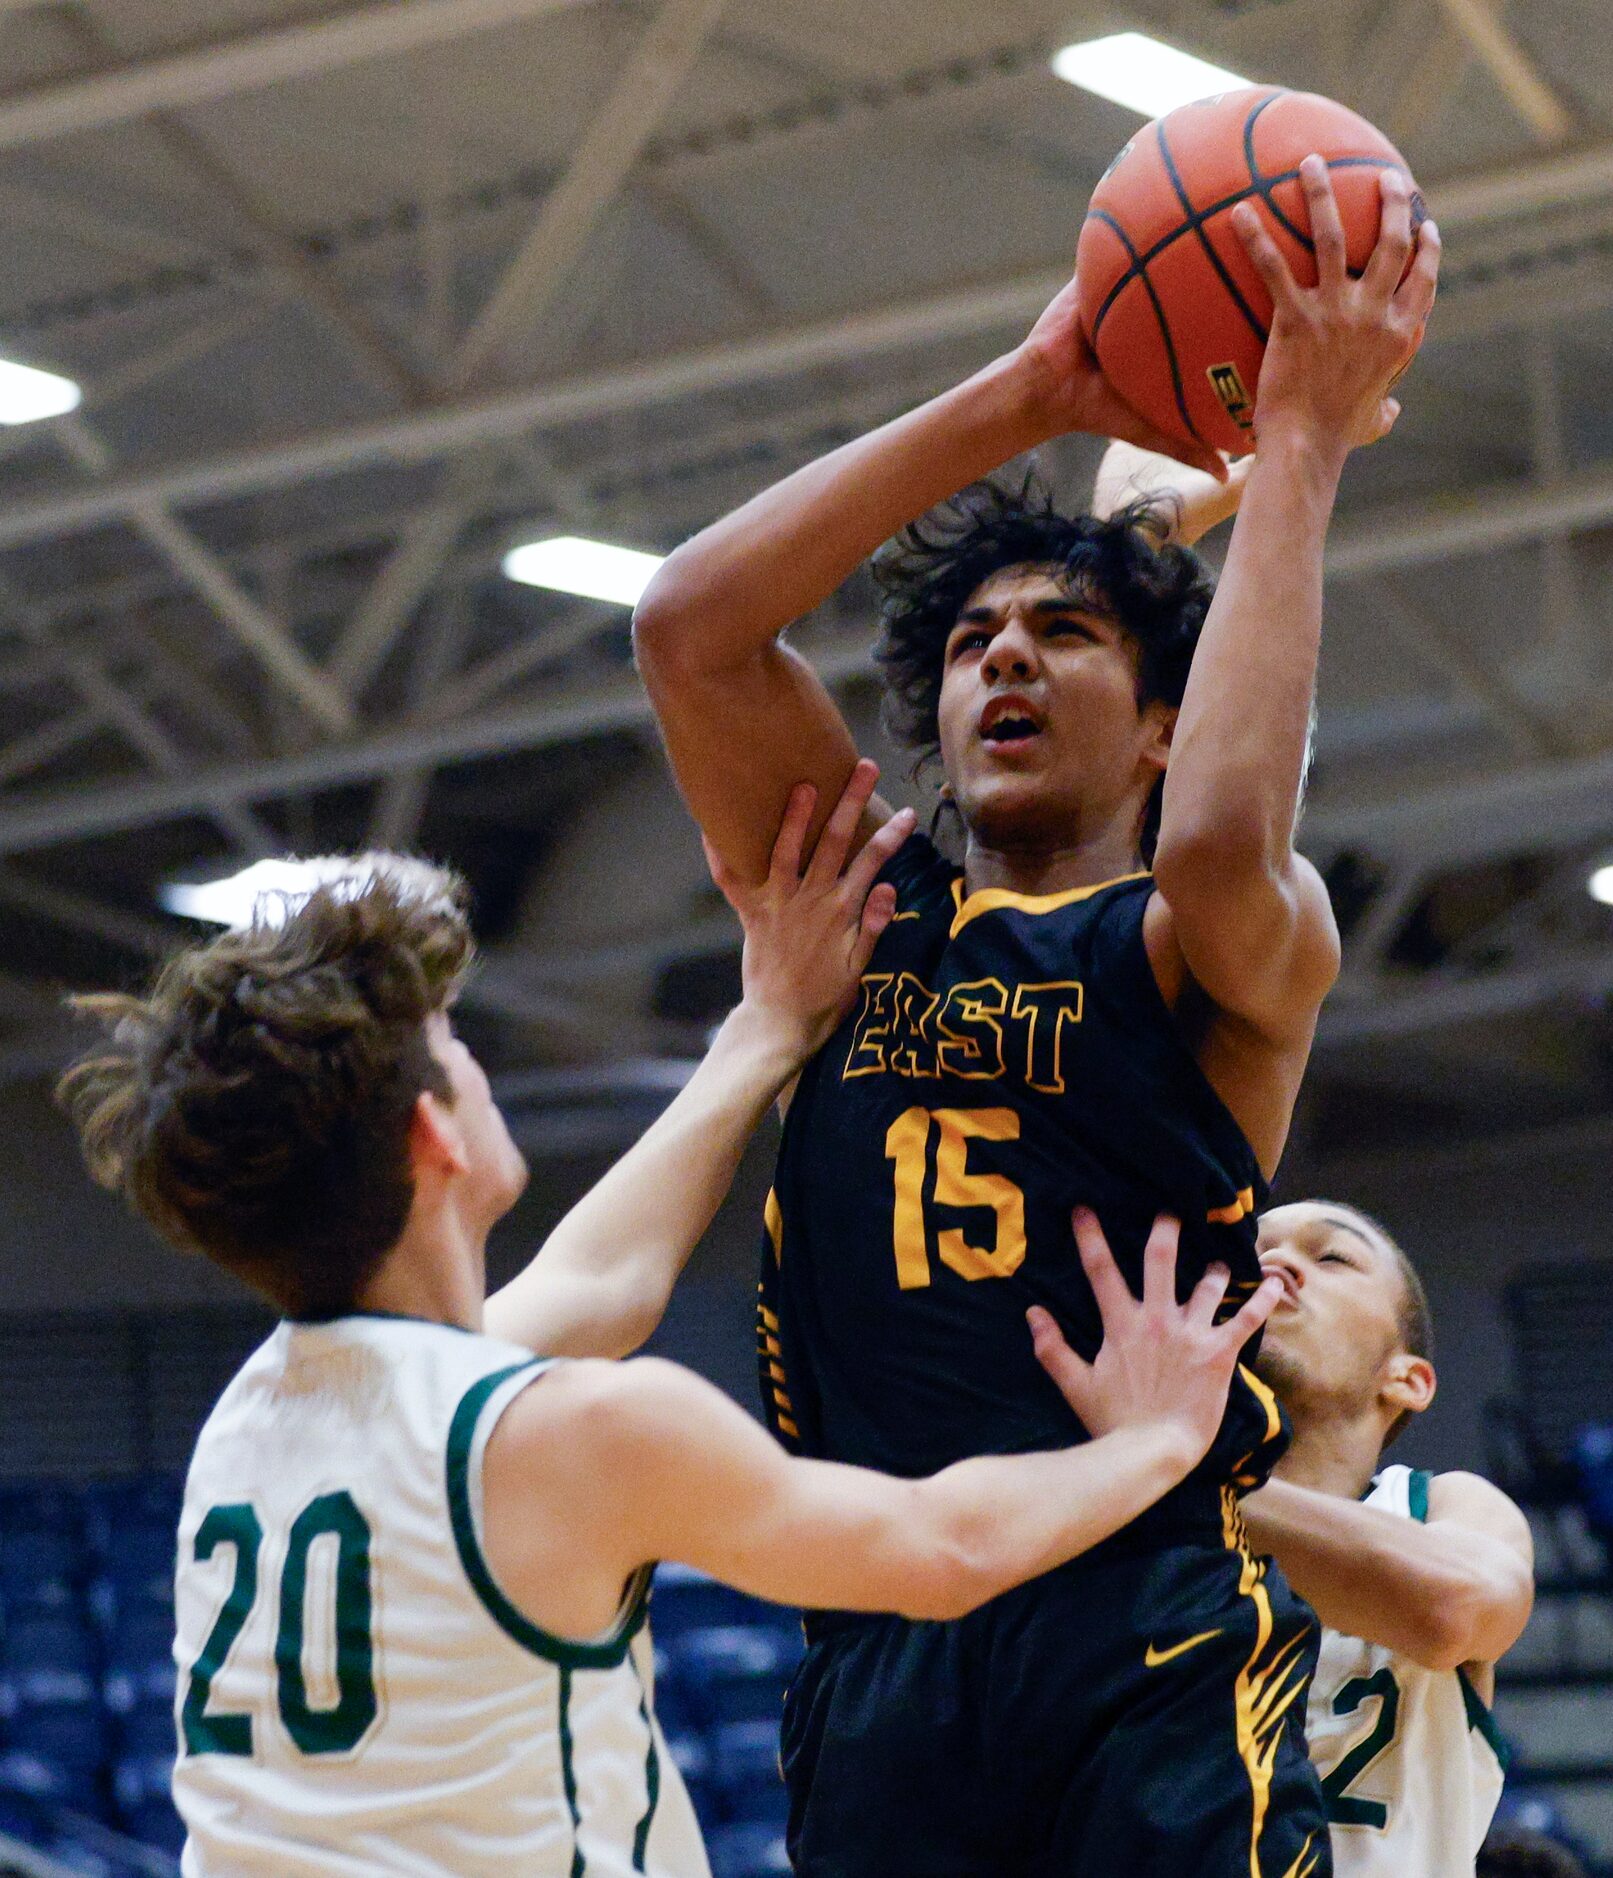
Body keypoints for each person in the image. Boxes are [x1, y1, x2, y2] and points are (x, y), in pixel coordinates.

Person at [632, 154, 1439, 1876]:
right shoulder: (851, 909)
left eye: (1063, 632)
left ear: (1157, 720)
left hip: (1129, 1623)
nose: (1004, 655)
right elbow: (690, 628)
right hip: (875, 1630)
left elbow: (1226, 824)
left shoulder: (1197, 942)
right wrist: (1033, 386)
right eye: (974, 637)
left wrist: (1292, 444)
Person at [57, 770, 1279, 1878]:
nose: (476, 1066)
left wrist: (762, 1031)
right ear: (436, 1136)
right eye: (452, 1046)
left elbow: (603, 1280)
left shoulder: (263, 1411)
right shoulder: (573, 1432)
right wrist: (1155, 1445)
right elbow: (934, 1550)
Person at [1243, 1201, 1535, 1876]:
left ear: (1406, 1378)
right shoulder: (1137, 1497)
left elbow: (1449, 1609)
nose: (1273, 1263)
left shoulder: (1444, 1507)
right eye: (1249, 1250)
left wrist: (1163, 1477)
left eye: (1329, 1257)